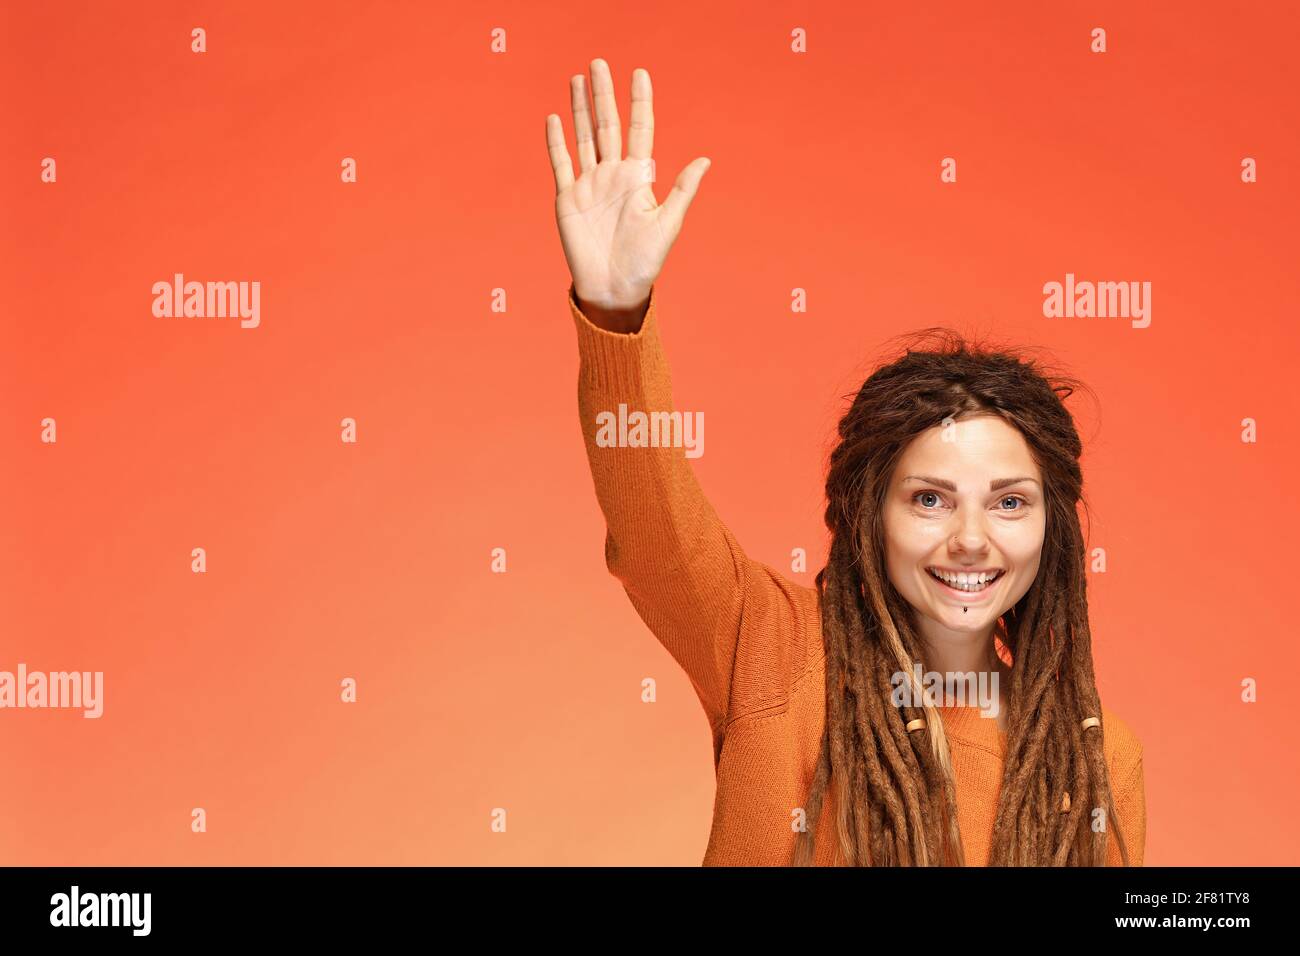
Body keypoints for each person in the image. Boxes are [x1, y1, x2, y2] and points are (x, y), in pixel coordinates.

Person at [544, 58, 1145, 866]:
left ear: (1051, 529)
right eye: (930, 499)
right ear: (872, 515)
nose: (972, 538)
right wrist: (616, 309)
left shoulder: (1097, 758)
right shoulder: (776, 653)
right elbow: (654, 523)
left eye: (1009, 502)